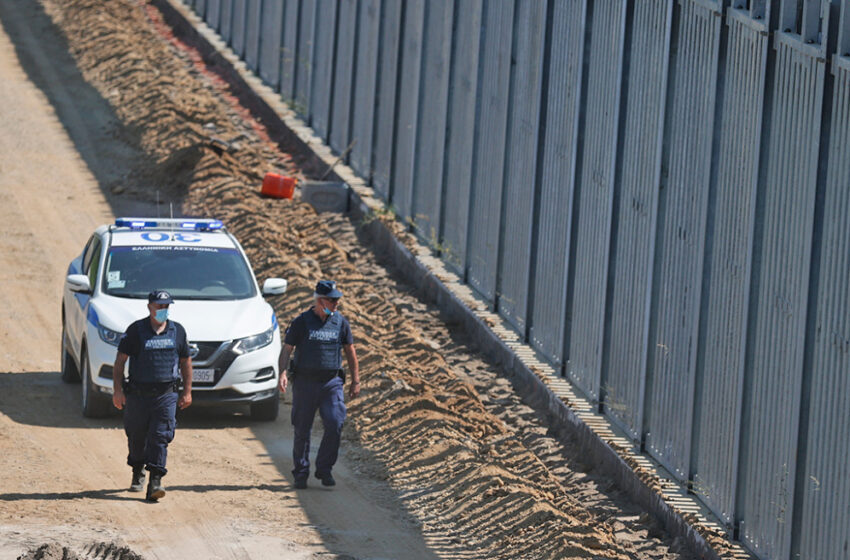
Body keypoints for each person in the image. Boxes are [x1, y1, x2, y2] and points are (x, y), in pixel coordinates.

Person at [112, 289, 193, 502]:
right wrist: (118, 391)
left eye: (166, 307)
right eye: (159, 306)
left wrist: (187, 392)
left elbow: (186, 362)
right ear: (149, 307)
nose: (163, 310)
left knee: (160, 436)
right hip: (138, 395)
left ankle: (155, 480)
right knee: (137, 436)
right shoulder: (136, 330)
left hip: (166, 394)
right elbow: (120, 361)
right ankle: (138, 469)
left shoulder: (177, 331)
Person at [279, 280, 360, 489]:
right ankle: (301, 472)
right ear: (319, 300)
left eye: (337, 301)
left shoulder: (340, 323)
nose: (336, 304)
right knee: (302, 429)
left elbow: (350, 351)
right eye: (332, 300)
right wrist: (282, 373)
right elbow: (287, 349)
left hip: (331, 383)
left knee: (335, 423)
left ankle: (324, 469)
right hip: (305, 383)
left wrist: (355, 380)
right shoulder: (301, 322)